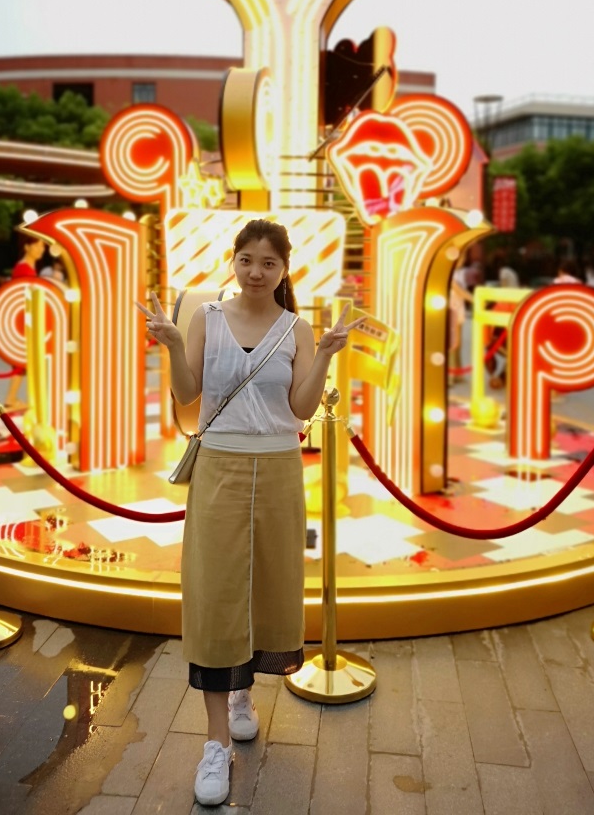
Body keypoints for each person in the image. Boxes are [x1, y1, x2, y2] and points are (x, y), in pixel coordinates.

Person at [141, 219, 364, 807]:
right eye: (247, 260)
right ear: (233, 261)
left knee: (269, 585)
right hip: (219, 466)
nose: (256, 272)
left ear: (285, 269)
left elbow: (302, 407)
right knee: (215, 592)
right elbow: (187, 394)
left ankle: (244, 693)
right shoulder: (207, 318)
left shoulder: (298, 327)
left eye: (269, 263)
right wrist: (172, 345)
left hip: (280, 470)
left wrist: (326, 356)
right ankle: (216, 742)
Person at [5, 236, 46, 407]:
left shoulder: (28, 267)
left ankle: (14, 397)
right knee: (24, 358)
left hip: (27, 316)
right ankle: (12, 398)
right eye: (37, 245)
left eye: (42, 246)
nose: (41, 249)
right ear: (27, 247)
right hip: (24, 318)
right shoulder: (23, 268)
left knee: (26, 359)